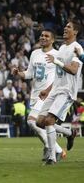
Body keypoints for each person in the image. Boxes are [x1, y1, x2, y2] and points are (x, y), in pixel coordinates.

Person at [12, 29, 65, 161]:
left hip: (48, 94)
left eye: (47, 36)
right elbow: (30, 73)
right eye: (41, 35)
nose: (43, 37)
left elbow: (60, 78)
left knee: (31, 121)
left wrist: (48, 90)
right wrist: (19, 73)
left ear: (52, 40)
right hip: (35, 94)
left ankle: (55, 150)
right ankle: (58, 144)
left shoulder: (57, 55)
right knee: (41, 124)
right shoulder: (35, 53)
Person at [37, 21, 82, 165]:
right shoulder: (62, 47)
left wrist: (57, 61)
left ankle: (52, 157)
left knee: (49, 121)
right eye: (65, 26)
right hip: (56, 89)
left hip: (67, 91)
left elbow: (74, 70)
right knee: (39, 122)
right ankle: (70, 133)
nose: (65, 28)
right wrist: (48, 90)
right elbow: (58, 74)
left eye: (69, 27)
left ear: (75, 32)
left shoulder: (77, 48)